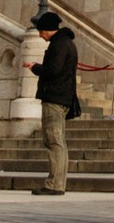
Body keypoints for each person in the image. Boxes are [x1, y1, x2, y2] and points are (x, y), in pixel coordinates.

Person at [21, 11, 77, 196]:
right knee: (58, 142)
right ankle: (58, 182)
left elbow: (53, 70)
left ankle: (54, 184)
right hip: (61, 97)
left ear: (47, 30)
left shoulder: (59, 45)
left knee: (53, 141)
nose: (39, 35)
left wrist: (35, 67)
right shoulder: (65, 42)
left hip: (55, 97)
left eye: (41, 31)